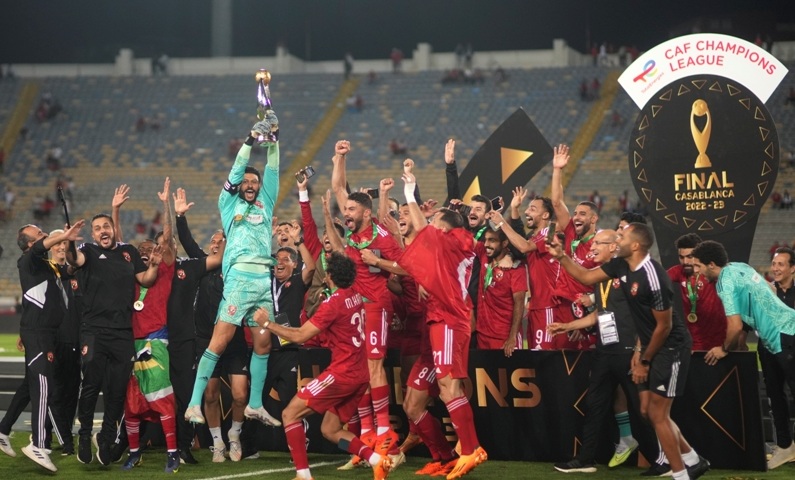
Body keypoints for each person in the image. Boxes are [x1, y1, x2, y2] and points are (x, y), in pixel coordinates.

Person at [549, 223, 710, 480]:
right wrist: (561, 256)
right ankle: (693, 459)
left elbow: (664, 327)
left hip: (671, 346)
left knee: (657, 414)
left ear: (635, 245)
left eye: (621, 237)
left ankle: (681, 474)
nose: (617, 240)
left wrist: (643, 359)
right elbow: (586, 277)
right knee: (646, 410)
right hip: (645, 345)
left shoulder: (654, 277)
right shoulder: (620, 266)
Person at [253, 252, 394, 480]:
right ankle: (377, 460)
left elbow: (300, 336)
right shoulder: (355, 295)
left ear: (329, 276)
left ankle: (303, 474)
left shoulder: (333, 303)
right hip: (360, 374)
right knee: (330, 430)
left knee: (290, 414)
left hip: (342, 373)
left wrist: (267, 323)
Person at [184, 112, 282, 428]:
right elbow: (237, 168)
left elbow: (274, 168)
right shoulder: (229, 205)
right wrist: (251, 140)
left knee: (263, 343)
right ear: (239, 186)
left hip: (263, 281)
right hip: (239, 280)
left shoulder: (266, 201)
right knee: (220, 341)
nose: (251, 185)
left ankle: (255, 405)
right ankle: (194, 404)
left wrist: (274, 140)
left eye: (255, 182)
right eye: (246, 182)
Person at [549, 230, 664, 475]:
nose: (592, 247)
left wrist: (639, 349)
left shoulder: (630, 273)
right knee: (595, 406)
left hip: (628, 353)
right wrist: (568, 326)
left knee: (641, 409)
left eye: (598, 243)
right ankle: (586, 460)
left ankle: (661, 460)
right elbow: (599, 315)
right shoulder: (603, 275)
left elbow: (644, 317)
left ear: (613, 247)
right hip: (605, 351)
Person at [398, 169, 488, 479]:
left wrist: (410, 193)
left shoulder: (455, 240)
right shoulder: (454, 245)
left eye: (435, 222)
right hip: (440, 322)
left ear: (445, 227)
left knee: (450, 388)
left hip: (448, 321)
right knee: (412, 404)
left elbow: (423, 230)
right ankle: (444, 456)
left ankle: (471, 449)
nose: (430, 226)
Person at [65, 207, 161, 466]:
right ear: (93, 235)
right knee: (91, 385)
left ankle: (106, 438)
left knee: (117, 391)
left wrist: (153, 265)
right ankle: (84, 435)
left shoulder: (128, 252)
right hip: (94, 331)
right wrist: (69, 241)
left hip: (122, 333)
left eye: (106, 226)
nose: (102, 231)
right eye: (97, 229)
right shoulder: (87, 251)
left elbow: (146, 280)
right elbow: (74, 259)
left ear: (114, 230)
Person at [331, 140, 404, 458]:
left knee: (374, 366)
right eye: (346, 209)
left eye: (351, 210)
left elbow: (406, 268)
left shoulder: (383, 238)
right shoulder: (351, 231)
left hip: (376, 306)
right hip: (354, 309)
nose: (346, 213)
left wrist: (378, 262)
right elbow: (337, 187)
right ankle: (366, 432)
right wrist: (340, 158)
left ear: (366, 213)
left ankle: (385, 431)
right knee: (360, 369)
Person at [695, 240, 795, 470]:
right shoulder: (740, 266)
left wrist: (723, 349)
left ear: (711, 264)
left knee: (781, 395)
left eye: (699, 266)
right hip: (773, 339)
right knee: (775, 396)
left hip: (787, 336)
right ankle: (785, 446)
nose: (698, 271)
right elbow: (769, 289)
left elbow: (735, 326)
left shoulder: (724, 282)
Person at [0, 224, 83, 472]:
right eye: (39, 233)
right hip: (39, 333)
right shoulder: (28, 260)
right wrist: (62, 236)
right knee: (43, 387)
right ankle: (38, 444)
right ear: (29, 243)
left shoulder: (47, 266)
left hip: (45, 333)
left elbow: (72, 268)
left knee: (30, 385)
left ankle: (3, 429)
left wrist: (70, 242)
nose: (44, 234)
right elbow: (39, 248)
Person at [113, 178, 181, 473]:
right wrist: (115, 211)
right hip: (130, 342)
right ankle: (134, 452)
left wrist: (165, 204)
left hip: (155, 340)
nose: (144, 250)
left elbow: (169, 238)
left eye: (150, 247)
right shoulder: (130, 272)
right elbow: (118, 244)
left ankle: (172, 453)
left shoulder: (164, 269)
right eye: (140, 248)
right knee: (131, 403)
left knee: (161, 398)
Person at [170, 187, 225, 464]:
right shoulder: (200, 264)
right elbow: (187, 240)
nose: (215, 244)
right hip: (197, 339)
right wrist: (180, 217)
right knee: (196, 393)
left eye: (220, 241)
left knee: (230, 395)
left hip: (225, 339)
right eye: (213, 241)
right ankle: (193, 444)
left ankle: (231, 439)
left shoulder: (234, 270)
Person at [666, 234, 726, 351]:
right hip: (695, 341)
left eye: (690, 256)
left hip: (719, 340)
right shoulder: (679, 271)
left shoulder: (711, 272)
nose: (685, 262)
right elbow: (656, 280)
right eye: (681, 257)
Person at [475, 228, 527, 355]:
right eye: (486, 240)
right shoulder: (484, 255)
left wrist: (512, 337)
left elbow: (519, 304)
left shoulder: (515, 269)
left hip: (503, 336)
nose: (486, 244)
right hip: (482, 334)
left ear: (504, 243)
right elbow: (463, 237)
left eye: (492, 240)